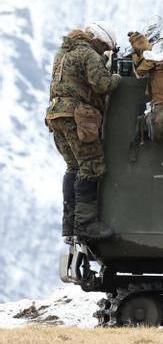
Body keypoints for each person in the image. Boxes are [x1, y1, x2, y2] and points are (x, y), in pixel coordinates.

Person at [44, 22, 122, 242]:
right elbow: (102, 84)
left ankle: (70, 226)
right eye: (106, 47)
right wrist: (117, 78)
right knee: (92, 166)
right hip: (76, 117)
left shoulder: (64, 51)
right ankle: (86, 226)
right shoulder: (88, 53)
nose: (105, 52)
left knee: (74, 167)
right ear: (99, 40)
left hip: (56, 115)